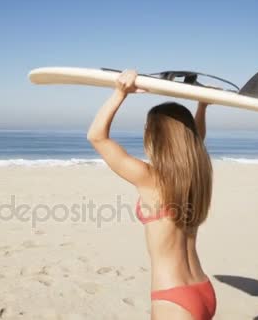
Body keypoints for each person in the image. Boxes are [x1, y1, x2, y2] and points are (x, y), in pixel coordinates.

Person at [87, 70, 215, 319]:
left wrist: (120, 93)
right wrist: (202, 106)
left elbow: (96, 136)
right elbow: (196, 140)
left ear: (153, 136)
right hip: (202, 288)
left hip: (174, 298)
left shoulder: (149, 179)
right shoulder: (194, 176)